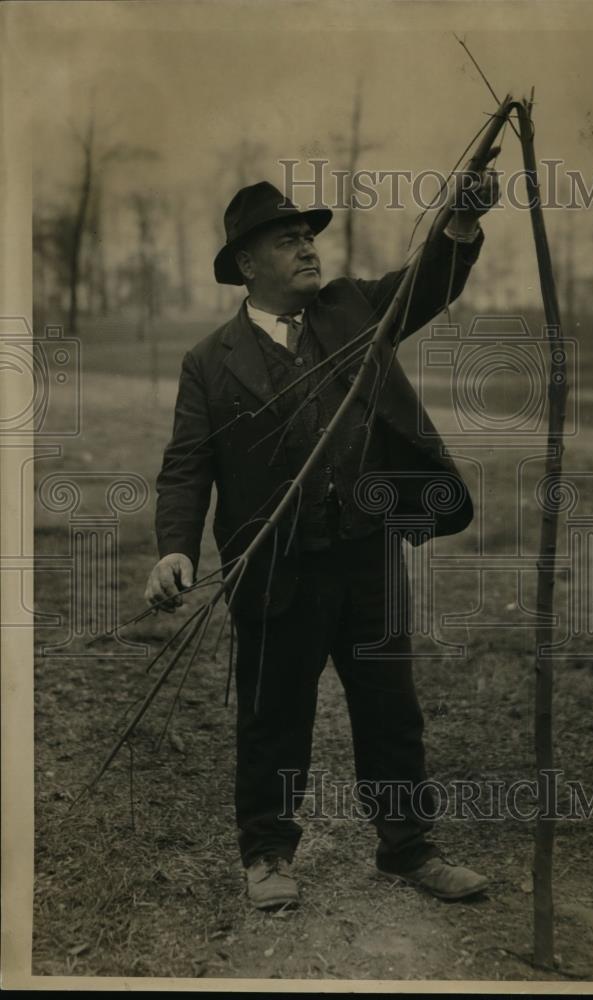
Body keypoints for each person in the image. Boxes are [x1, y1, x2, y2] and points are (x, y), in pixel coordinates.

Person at [144, 175, 498, 908]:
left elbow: (425, 284)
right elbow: (186, 466)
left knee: (389, 708)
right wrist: (174, 547)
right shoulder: (209, 362)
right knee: (274, 716)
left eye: (308, 236)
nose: (308, 247)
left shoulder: (350, 309)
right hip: (273, 568)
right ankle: (268, 854)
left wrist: (459, 222)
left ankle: (407, 848)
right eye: (287, 240)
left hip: (368, 555)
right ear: (247, 265)